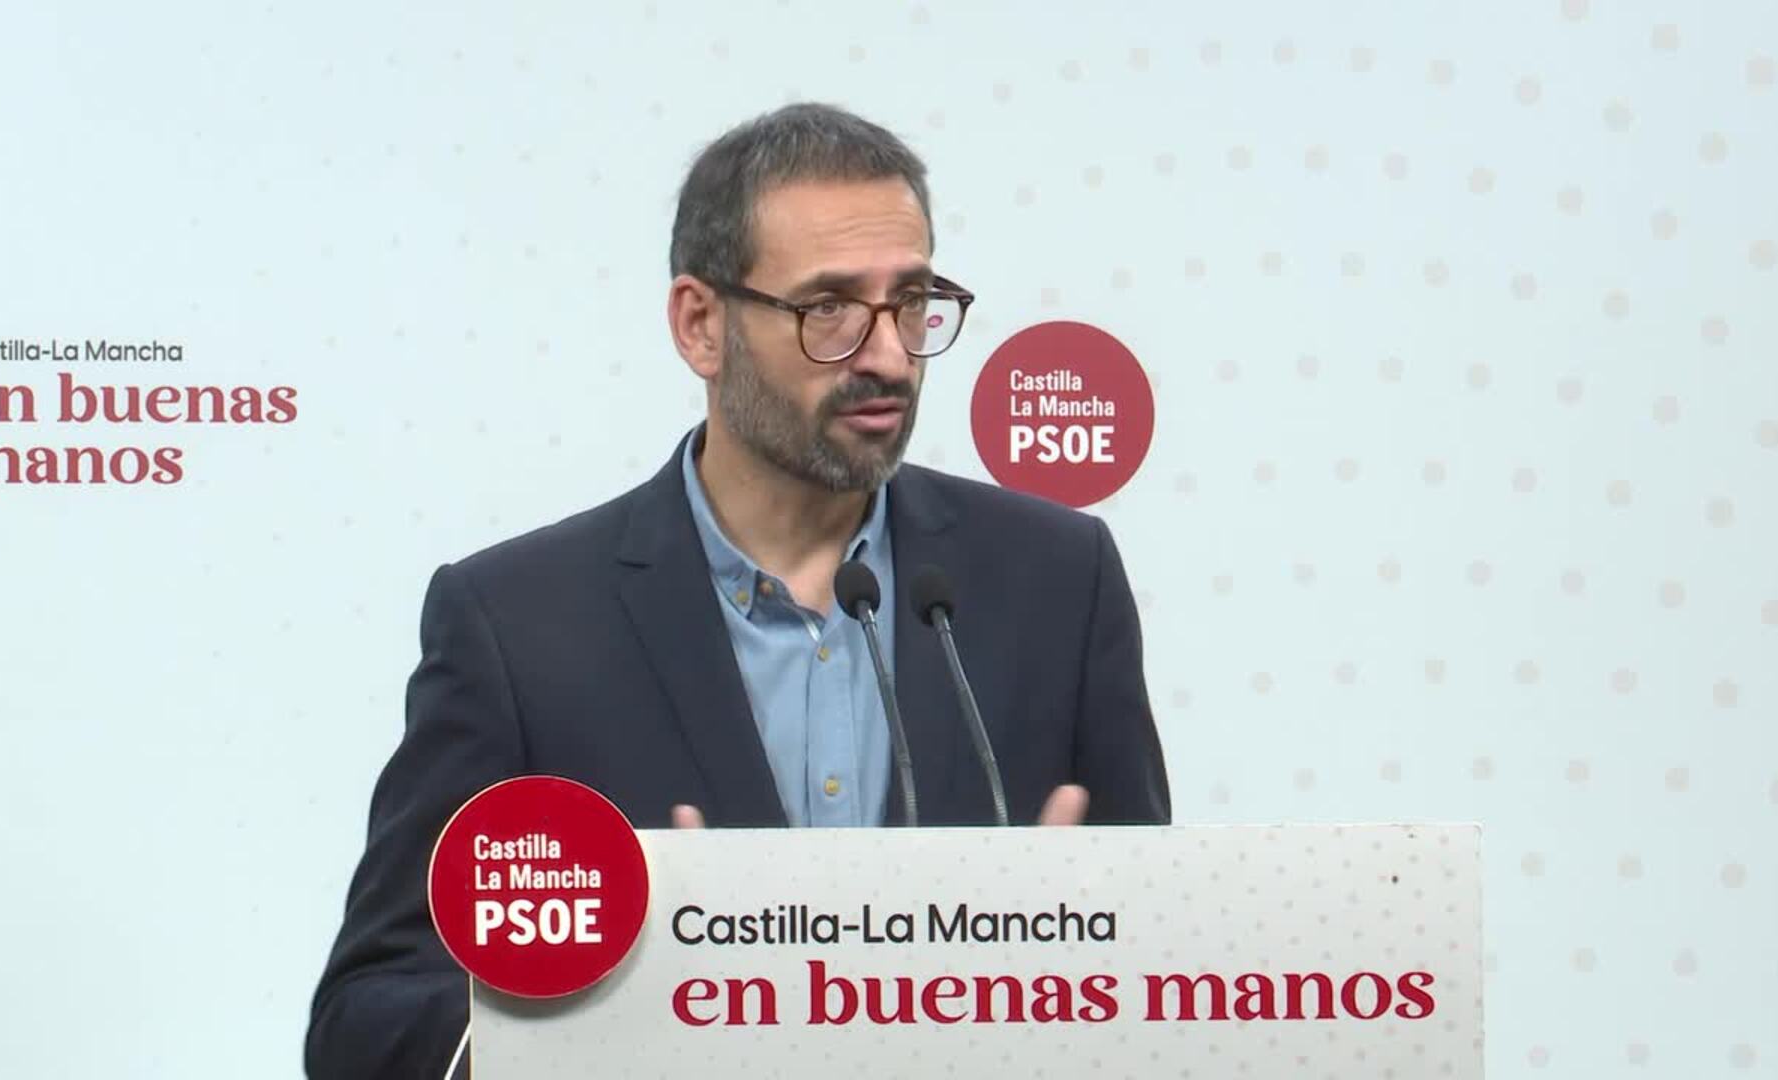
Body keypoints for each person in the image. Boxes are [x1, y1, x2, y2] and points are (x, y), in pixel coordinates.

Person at [305, 101, 1171, 1080]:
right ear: (701, 325)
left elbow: (1167, 972)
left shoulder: (1057, 581)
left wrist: (1078, 972)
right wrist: (620, 1018)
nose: (889, 354)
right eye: (828, 308)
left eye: (911, 301)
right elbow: (365, 1026)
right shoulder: (518, 625)